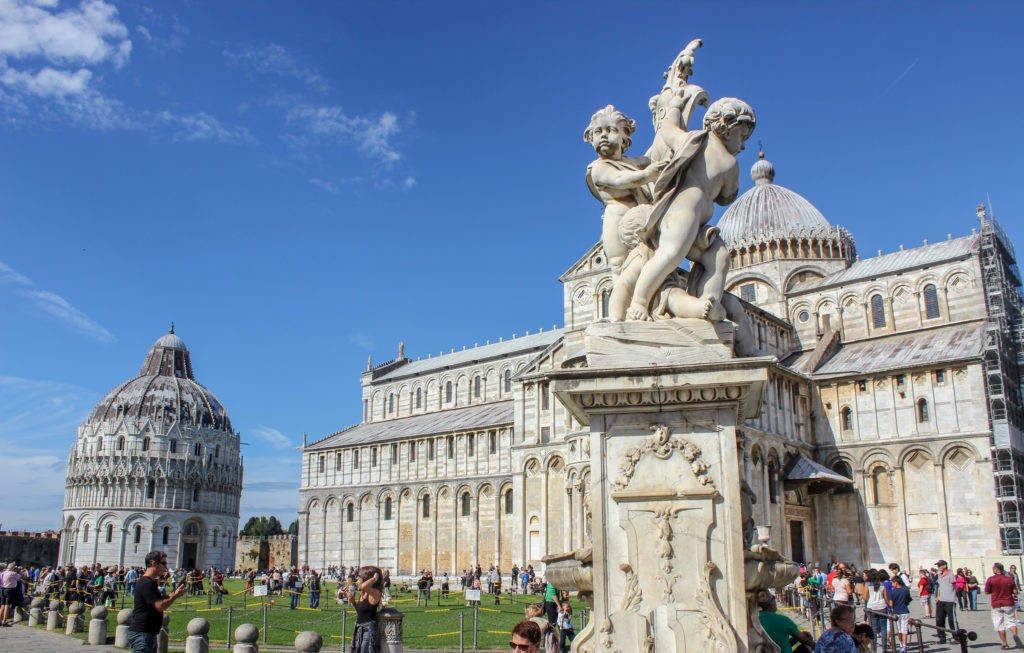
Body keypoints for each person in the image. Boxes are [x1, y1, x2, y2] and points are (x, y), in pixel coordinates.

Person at [127, 551, 187, 653]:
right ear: (154, 563)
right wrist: (175, 596)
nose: (166, 567)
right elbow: (160, 605)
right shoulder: (146, 583)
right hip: (142, 633)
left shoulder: (149, 582)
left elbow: (158, 600)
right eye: (163, 563)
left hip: (148, 633)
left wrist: (174, 593)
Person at [985, 562, 1023, 650]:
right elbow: (1015, 592)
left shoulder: (991, 579)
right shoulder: (1009, 579)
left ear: (996, 569)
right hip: (1008, 602)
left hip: (996, 603)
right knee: (1011, 621)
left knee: (999, 624)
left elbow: (986, 592)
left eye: (993, 568)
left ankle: (1005, 644)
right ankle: (1015, 635)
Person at [348, 566, 383, 653]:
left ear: (366, 578)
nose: (357, 578)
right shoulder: (364, 593)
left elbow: (364, 586)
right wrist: (353, 601)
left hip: (368, 631)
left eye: (360, 576)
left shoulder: (375, 593)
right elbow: (361, 612)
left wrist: (375, 578)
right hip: (359, 629)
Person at [861, 570, 887, 652]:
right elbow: (886, 597)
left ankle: (874, 649)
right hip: (882, 607)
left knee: (874, 630)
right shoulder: (883, 584)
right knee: (883, 629)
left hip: (871, 608)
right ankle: (884, 648)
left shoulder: (868, 585)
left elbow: (865, 598)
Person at [934, 560, 958, 644]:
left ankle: (956, 637)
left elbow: (955, 586)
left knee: (952, 620)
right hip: (941, 600)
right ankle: (942, 637)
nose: (938, 568)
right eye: (938, 566)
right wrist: (938, 596)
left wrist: (954, 597)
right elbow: (940, 586)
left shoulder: (951, 574)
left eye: (940, 566)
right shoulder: (939, 575)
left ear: (944, 566)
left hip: (950, 600)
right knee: (939, 619)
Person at [887, 576, 911, 653]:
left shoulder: (892, 592)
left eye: (892, 583)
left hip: (896, 612)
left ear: (896, 582)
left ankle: (901, 643)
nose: (892, 584)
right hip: (905, 611)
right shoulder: (905, 590)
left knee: (899, 630)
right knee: (905, 630)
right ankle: (904, 646)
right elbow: (908, 599)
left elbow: (891, 604)